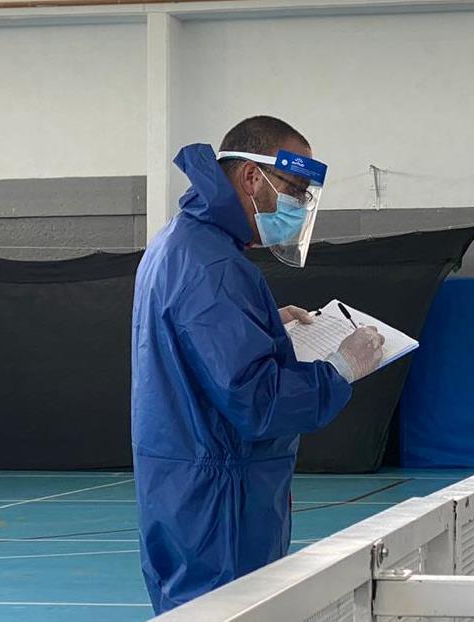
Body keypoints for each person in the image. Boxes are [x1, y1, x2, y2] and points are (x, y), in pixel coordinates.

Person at [131, 115, 385, 613]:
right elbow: (258, 403)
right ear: (252, 177)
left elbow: (195, 356)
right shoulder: (215, 267)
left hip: (184, 493)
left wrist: (264, 327)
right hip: (222, 508)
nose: (299, 204)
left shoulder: (179, 243)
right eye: (294, 189)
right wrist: (339, 368)